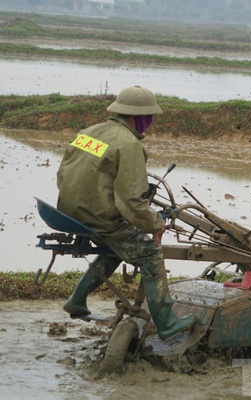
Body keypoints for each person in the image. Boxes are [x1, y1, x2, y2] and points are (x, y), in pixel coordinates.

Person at [57, 85, 195, 340]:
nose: (151, 123)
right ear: (138, 117)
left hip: (67, 212)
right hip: (97, 217)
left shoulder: (87, 133)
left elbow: (63, 175)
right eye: (149, 118)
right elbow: (131, 202)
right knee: (150, 254)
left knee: (117, 245)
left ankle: (76, 300)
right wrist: (154, 223)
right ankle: (166, 323)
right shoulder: (129, 144)